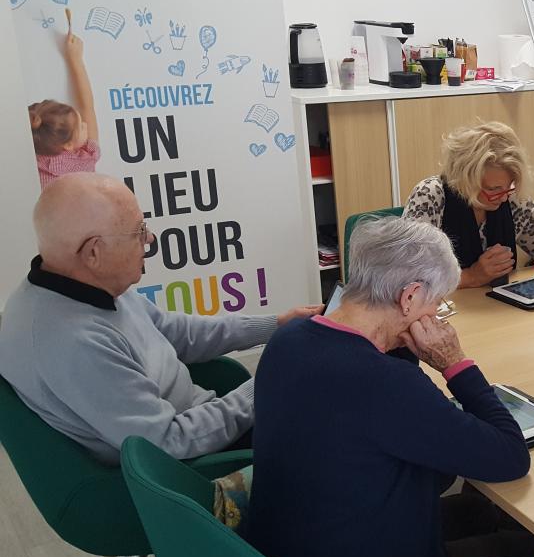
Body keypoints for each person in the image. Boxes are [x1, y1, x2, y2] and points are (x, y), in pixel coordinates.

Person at [247, 216, 534, 557]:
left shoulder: (288, 340)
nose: (436, 315)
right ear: (410, 296)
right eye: (436, 303)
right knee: (529, 552)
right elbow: (510, 456)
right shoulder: (385, 383)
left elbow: (405, 447)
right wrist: (455, 364)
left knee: (479, 511)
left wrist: (398, 340)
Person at [0, 173, 319, 464]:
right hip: (189, 465)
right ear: (94, 253)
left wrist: (276, 325)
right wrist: (264, 385)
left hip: (201, 420)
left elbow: (177, 332)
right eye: (139, 231)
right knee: (328, 412)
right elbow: (169, 441)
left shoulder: (85, 282)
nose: (150, 238)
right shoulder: (72, 343)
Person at [404, 121, 534, 288]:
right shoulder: (431, 196)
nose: (503, 198)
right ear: (465, 180)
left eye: (509, 186)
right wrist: (472, 276)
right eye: (493, 189)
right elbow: (407, 276)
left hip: (496, 301)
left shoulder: (512, 199)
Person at [30, 26, 100, 189]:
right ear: (68, 145)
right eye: (81, 127)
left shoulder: (24, 165)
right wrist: (75, 59)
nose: (85, 125)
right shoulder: (83, 160)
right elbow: (87, 106)